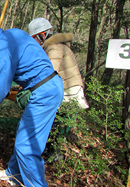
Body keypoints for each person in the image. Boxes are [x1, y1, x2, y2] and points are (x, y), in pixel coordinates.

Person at [0, 19, 64, 187]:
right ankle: (14, 174)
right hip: (46, 87)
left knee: (27, 146)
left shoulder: (1, 50)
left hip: (45, 92)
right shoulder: (11, 34)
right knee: (24, 134)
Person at [28, 17, 89, 161]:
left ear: (42, 34)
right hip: (66, 87)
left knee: (56, 124)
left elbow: (49, 71)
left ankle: (54, 155)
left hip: (69, 90)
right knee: (57, 123)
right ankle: (52, 153)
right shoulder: (53, 45)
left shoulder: (54, 47)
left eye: (34, 38)